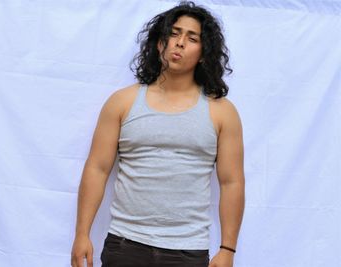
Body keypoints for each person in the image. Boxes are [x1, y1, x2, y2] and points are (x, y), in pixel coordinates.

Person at [71, 1, 245, 266]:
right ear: (159, 42)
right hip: (124, 245)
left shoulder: (222, 112)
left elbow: (232, 182)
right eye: (173, 33)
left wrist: (228, 249)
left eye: (192, 37)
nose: (179, 42)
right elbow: (97, 168)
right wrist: (82, 234)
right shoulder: (122, 102)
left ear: (204, 52)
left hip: (188, 250)